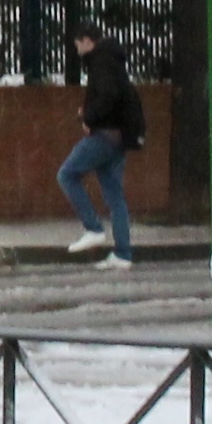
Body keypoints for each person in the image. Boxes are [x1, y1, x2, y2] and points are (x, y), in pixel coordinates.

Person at [57, 24, 141, 267]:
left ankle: (93, 228)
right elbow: (113, 95)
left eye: (78, 45)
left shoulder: (101, 62)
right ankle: (123, 254)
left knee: (67, 175)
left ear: (87, 41)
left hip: (105, 136)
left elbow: (107, 97)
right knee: (115, 194)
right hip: (119, 137)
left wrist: (89, 118)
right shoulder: (112, 60)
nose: (78, 51)